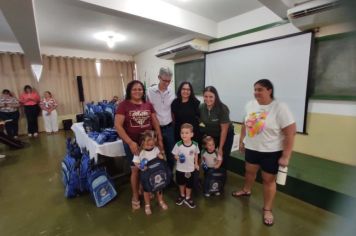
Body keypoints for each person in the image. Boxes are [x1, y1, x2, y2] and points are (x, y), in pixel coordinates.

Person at [232, 79, 296, 226]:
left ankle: (267, 209)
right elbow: (245, 123)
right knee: (249, 172)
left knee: (268, 180)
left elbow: (290, 133)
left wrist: (286, 156)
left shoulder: (280, 107)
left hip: (271, 152)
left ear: (269, 90)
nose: (256, 92)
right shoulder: (250, 104)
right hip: (252, 148)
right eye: (255, 89)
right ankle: (246, 190)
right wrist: (242, 140)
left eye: (260, 89)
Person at [115, 80, 164, 210]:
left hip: (148, 143)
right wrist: (130, 143)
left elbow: (155, 122)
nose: (137, 91)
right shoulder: (123, 105)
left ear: (143, 91)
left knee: (148, 167)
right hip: (132, 144)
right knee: (135, 169)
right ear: (129, 91)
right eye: (134, 89)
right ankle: (135, 195)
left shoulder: (148, 104)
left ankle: (145, 188)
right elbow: (118, 126)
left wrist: (159, 140)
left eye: (140, 89)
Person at [132, 130, 168, 215]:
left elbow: (160, 156)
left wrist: (160, 156)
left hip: (156, 173)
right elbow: (135, 162)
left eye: (152, 145)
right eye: (147, 145)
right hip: (146, 175)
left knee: (159, 187)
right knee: (146, 190)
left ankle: (161, 201)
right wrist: (141, 166)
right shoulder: (139, 152)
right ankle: (147, 205)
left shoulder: (155, 149)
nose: (150, 147)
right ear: (142, 142)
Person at [147, 67, 176, 172]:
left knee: (171, 154)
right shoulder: (150, 91)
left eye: (169, 81)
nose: (167, 83)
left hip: (169, 128)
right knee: (157, 153)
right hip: (155, 129)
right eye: (164, 80)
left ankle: (169, 176)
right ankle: (159, 175)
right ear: (159, 77)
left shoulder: (172, 92)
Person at [199, 86, 234, 169]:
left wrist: (221, 148)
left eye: (211, 96)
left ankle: (221, 177)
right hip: (212, 134)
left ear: (216, 96)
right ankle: (209, 175)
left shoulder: (222, 108)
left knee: (222, 156)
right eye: (206, 96)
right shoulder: (201, 107)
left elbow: (224, 131)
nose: (208, 99)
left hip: (225, 134)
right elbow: (199, 121)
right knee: (210, 153)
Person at [171, 123, 200, 208]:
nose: (184, 135)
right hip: (180, 169)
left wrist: (196, 163)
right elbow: (174, 155)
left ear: (192, 134)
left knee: (189, 184)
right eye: (182, 133)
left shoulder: (195, 144)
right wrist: (178, 158)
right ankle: (182, 195)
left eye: (186, 133)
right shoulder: (178, 144)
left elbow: (196, 154)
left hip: (190, 169)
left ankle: (187, 197)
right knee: (181, 183)